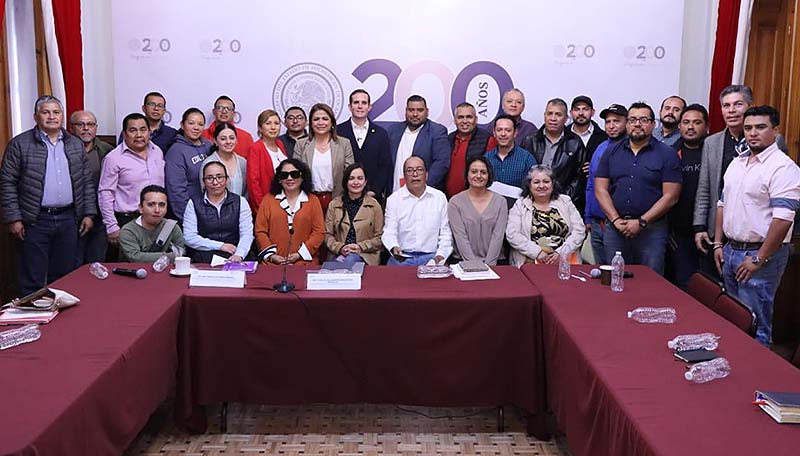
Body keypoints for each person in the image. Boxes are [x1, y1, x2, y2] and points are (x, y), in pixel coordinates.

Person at [713, 106, 800, 346]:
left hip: (761, 255)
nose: (752, 133)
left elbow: (783, 219)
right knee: (733, 320)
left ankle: (756, 370)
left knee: (756, 325)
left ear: (775, 131)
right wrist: (718, 243)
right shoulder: (737, 163)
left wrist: (759, 258)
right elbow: (722, 204)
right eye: (748, 128)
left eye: (760, 127)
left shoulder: (784, 168)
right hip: (730, 250)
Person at [0, 96, 95, 295]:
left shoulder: (75, 144)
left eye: (56, 112)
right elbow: (6, 183)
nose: (52, 116)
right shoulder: (20, 144)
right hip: (34, 220)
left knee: (64, 276)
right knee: (32, 277)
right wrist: (14, 218)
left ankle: (59, 313)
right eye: (46, 112)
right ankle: (32, 313)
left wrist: (88, 213)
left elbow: (86, 182)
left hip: (69, 218)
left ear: (62, 116)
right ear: (36, 117)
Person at [594, 102, 682, 275]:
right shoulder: (611, 152)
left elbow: (671, 196)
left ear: (653, 124)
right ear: (627, 124)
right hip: (616, 228)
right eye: (632, 119)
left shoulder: (667, 154)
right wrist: (615, 220)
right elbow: (600, 189)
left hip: (652, 230)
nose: (637, 124)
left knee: (650, 281)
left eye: (643, 120)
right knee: (615, 279)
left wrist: (641, 221)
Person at [694, 85, 754, 276]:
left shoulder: (770, 141)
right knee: (714, 286)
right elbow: (704, 188)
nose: (731, 110)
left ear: (750, 106)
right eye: (726, 106)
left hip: (751, 234)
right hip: (717, 231)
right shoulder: (712, 142)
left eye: (738, 104)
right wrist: (699, 226)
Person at [99, 112, 166, 256]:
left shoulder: (157, 152)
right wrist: (111, 226)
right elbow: (105, 193)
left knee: (155, 263)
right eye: (133, 130)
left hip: (156, 220)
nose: (139, 135)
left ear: (149, 132)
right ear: (124, 134)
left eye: (143, 129)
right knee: (127, 265)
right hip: (127, 221)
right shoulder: (113, 158)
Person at [506, 165, 585, 267]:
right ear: (529, 185)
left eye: (546, 181)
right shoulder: (520, 204)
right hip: (531, 261)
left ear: (553, 184)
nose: (542, 186)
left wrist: (560, 253)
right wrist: (538, 253)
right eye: (536, 182)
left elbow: (579, 231)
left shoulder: (565, 201)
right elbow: (512, 234)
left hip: (565, 260)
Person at [382, 156, 452, 266]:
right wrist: (394, 247)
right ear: (404, 176)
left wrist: (440, 256)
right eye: (410, 171)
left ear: (426, 174)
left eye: (419, 170)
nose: (415, 174)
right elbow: (389, 232)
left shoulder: (439, 198)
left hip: (432, 256)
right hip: (403, 257)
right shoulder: (394, 200)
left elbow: (446, 233)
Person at [668, 104, 709, 289]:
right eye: (686, 122)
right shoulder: (670, 153)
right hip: (679, 233)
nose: (690, 127)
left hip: (710, 231)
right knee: (684, 284)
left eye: (696, 122)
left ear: (706, 126)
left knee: (709, 286)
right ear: (679, 126)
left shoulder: (714, 152)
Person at [520, 98, 586, 210]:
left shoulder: (575, 143)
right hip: (532, 203)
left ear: (566, 119)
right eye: (550, 113)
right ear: (544, 115)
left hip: (563, 204)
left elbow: (579, 178)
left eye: (558, 114)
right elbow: (522, 173)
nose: (553, 118)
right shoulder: (529, 140)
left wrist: (561, 198)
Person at [255, 159, 325, 265]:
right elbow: (260, 231)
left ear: (302, 177)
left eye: (294, 174)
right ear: (279, 179)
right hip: (272, 263)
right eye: (284, 175)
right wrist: (271, 256)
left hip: (304, 262)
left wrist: (299, 254)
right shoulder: (268, 200)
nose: (289, 178)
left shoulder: (313, 201)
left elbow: (319, 232)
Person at [184, 161, 254, 263]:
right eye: (209, 178)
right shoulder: (193, 203)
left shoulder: (240, 202)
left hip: (235, 253)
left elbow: (247, 234)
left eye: (219, 177)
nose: (215, 182)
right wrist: (220, 246)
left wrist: (239, 254)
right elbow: (189, 237)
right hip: (204, 256)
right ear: (203, 181)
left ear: (227, 179)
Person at [584, 104, 628, 265]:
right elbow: (591, 183)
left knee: (617, 268)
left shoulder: (630, 148)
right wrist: (588, 217)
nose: (611, 125)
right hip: (596, 221)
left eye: (616, 121)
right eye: (608, 122)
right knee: (599, 268)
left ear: (627, 122)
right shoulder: (601, 148)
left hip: (617, 222)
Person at [70, 110, 113, 264]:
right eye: (80, 125)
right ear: (71, 128)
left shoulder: (107, 150)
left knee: (97, 262)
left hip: (100, 215)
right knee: (73, 262)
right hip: (72, 215)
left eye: (90, 124)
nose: (86, 128)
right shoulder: (63, 150)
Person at [447, 156, 508, 265]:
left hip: (495, 262)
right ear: (467, 174)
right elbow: (460, 237)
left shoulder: (500, 202)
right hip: (463, 261)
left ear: (489, 176)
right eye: (474, 172)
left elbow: (498, 236)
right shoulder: (455, 202)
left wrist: (489, 265)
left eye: (483, 172)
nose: (478, 176)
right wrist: (475, 266)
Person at [295, 103, 354, 213]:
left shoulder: (344, 144)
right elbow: (296, 175)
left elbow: (350, 174)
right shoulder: (301, 144)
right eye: (316, 119)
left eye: (325, 119)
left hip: (338, 200)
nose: (320, 122)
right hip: (308, 200)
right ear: (311, 123)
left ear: (332, 123)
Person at [336, 89, 392, 204]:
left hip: (372, 197)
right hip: (344, 196)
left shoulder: (381, 133)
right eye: (356, 102)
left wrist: (374, 191)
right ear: (350, 107)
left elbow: (385, 166)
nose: (360, 106)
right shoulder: (338, 131)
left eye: (364, 103)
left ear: (369, 107)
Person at [324, 163, 385, 266]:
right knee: (335, 265)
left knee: (350, 261)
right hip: (339, 253)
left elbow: (380, 238)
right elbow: (327, 235)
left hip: (365, 254)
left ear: (365, 182)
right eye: (351, 178)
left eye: (360, 178)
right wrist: (340, 247)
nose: (356, 182)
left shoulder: (374, 206)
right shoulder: (334, 205)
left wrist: (360, 246)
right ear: (345, 182)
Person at [386, 95, 450, 192]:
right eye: (411, 110)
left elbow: (442, 163)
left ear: (427, 112)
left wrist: (421, 186)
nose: (415, 114)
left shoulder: (437, 131)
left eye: (420, 110)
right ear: (406, 111)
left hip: (423, 194)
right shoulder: (393, 130)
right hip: (395, 193)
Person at [165, 108, 213, 221]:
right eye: (191, 123)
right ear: (182, 125)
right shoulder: (176, 152)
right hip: (191, 214)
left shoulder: (209, 145)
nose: (196, 127)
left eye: (200, 124)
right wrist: (189, 219)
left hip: (211, 211)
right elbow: (176, 191)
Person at [119, 185, 185, 262]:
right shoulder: (128, 231)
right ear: (141, 208)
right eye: (151, 205)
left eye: (161, 205)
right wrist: (169, 256)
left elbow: (180, 256)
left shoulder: (173, 227)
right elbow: (135, 257)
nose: (157, 210)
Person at [445, 102, 497, 198]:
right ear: (455, 120)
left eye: (469, 117)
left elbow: (490, 173)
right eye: (460, 117)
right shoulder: (448, 139)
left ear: (476, 120)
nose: (465, 121)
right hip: (448, 199)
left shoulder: (487, 139)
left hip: (475, 199)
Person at [485, 115, 537, 208]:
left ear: (515, 133)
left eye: (508, 130)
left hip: (519, 210)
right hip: (490, 209)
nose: (503, 134)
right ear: (494, 132)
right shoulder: (486, 158)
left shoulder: (527, 159)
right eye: (499, 130)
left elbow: (535, 189)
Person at [247, 109, 288, 212]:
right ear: (260, 128)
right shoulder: (255, 148)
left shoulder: (280, 144)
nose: (273, 127)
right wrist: (261, 208)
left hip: (285, 202)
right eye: (268, 123)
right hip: (266, 204)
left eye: (276, 123)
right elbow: (253, 182)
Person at [201, 122, 247, 197]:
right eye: (223, 139)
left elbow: (246, 192)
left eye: (232, 138)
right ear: (215, 141)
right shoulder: (208, 163)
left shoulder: (243, 162)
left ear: (236, 140)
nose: (228, 142)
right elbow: (204, 193)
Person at [569, 95, 607, 161]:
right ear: (571, 113)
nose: (581, 113)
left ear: (592, 112)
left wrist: (594, 165)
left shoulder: (604, 137)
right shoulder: (562, 135)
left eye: (585, 109)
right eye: (577, 109)